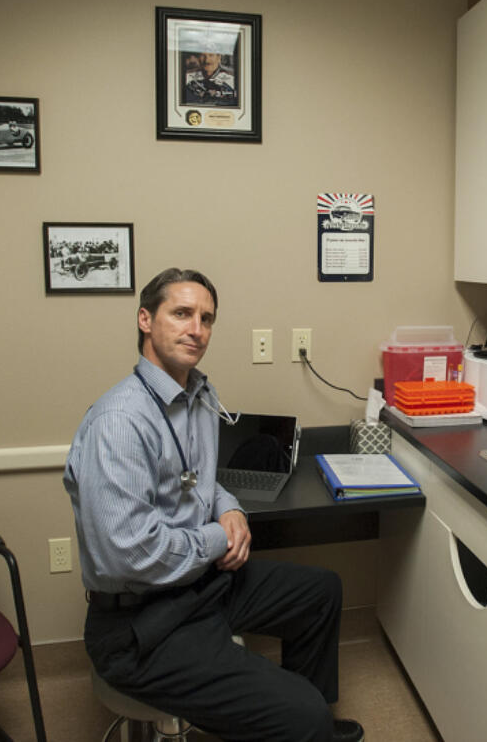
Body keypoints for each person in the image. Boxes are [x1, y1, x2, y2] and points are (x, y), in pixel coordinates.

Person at [63, 268, 364, 742]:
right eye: (181, 313)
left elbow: (203, 481)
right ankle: (306, 723)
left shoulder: (199, 395)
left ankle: (307, 728)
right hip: (141, 621)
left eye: (206, 318)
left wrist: (230, 508)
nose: (196, 329)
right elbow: (131, 553)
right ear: (145, 319)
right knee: (301, 714)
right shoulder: (119, 422)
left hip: (200, 585)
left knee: (320, 592)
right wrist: (218, 536)